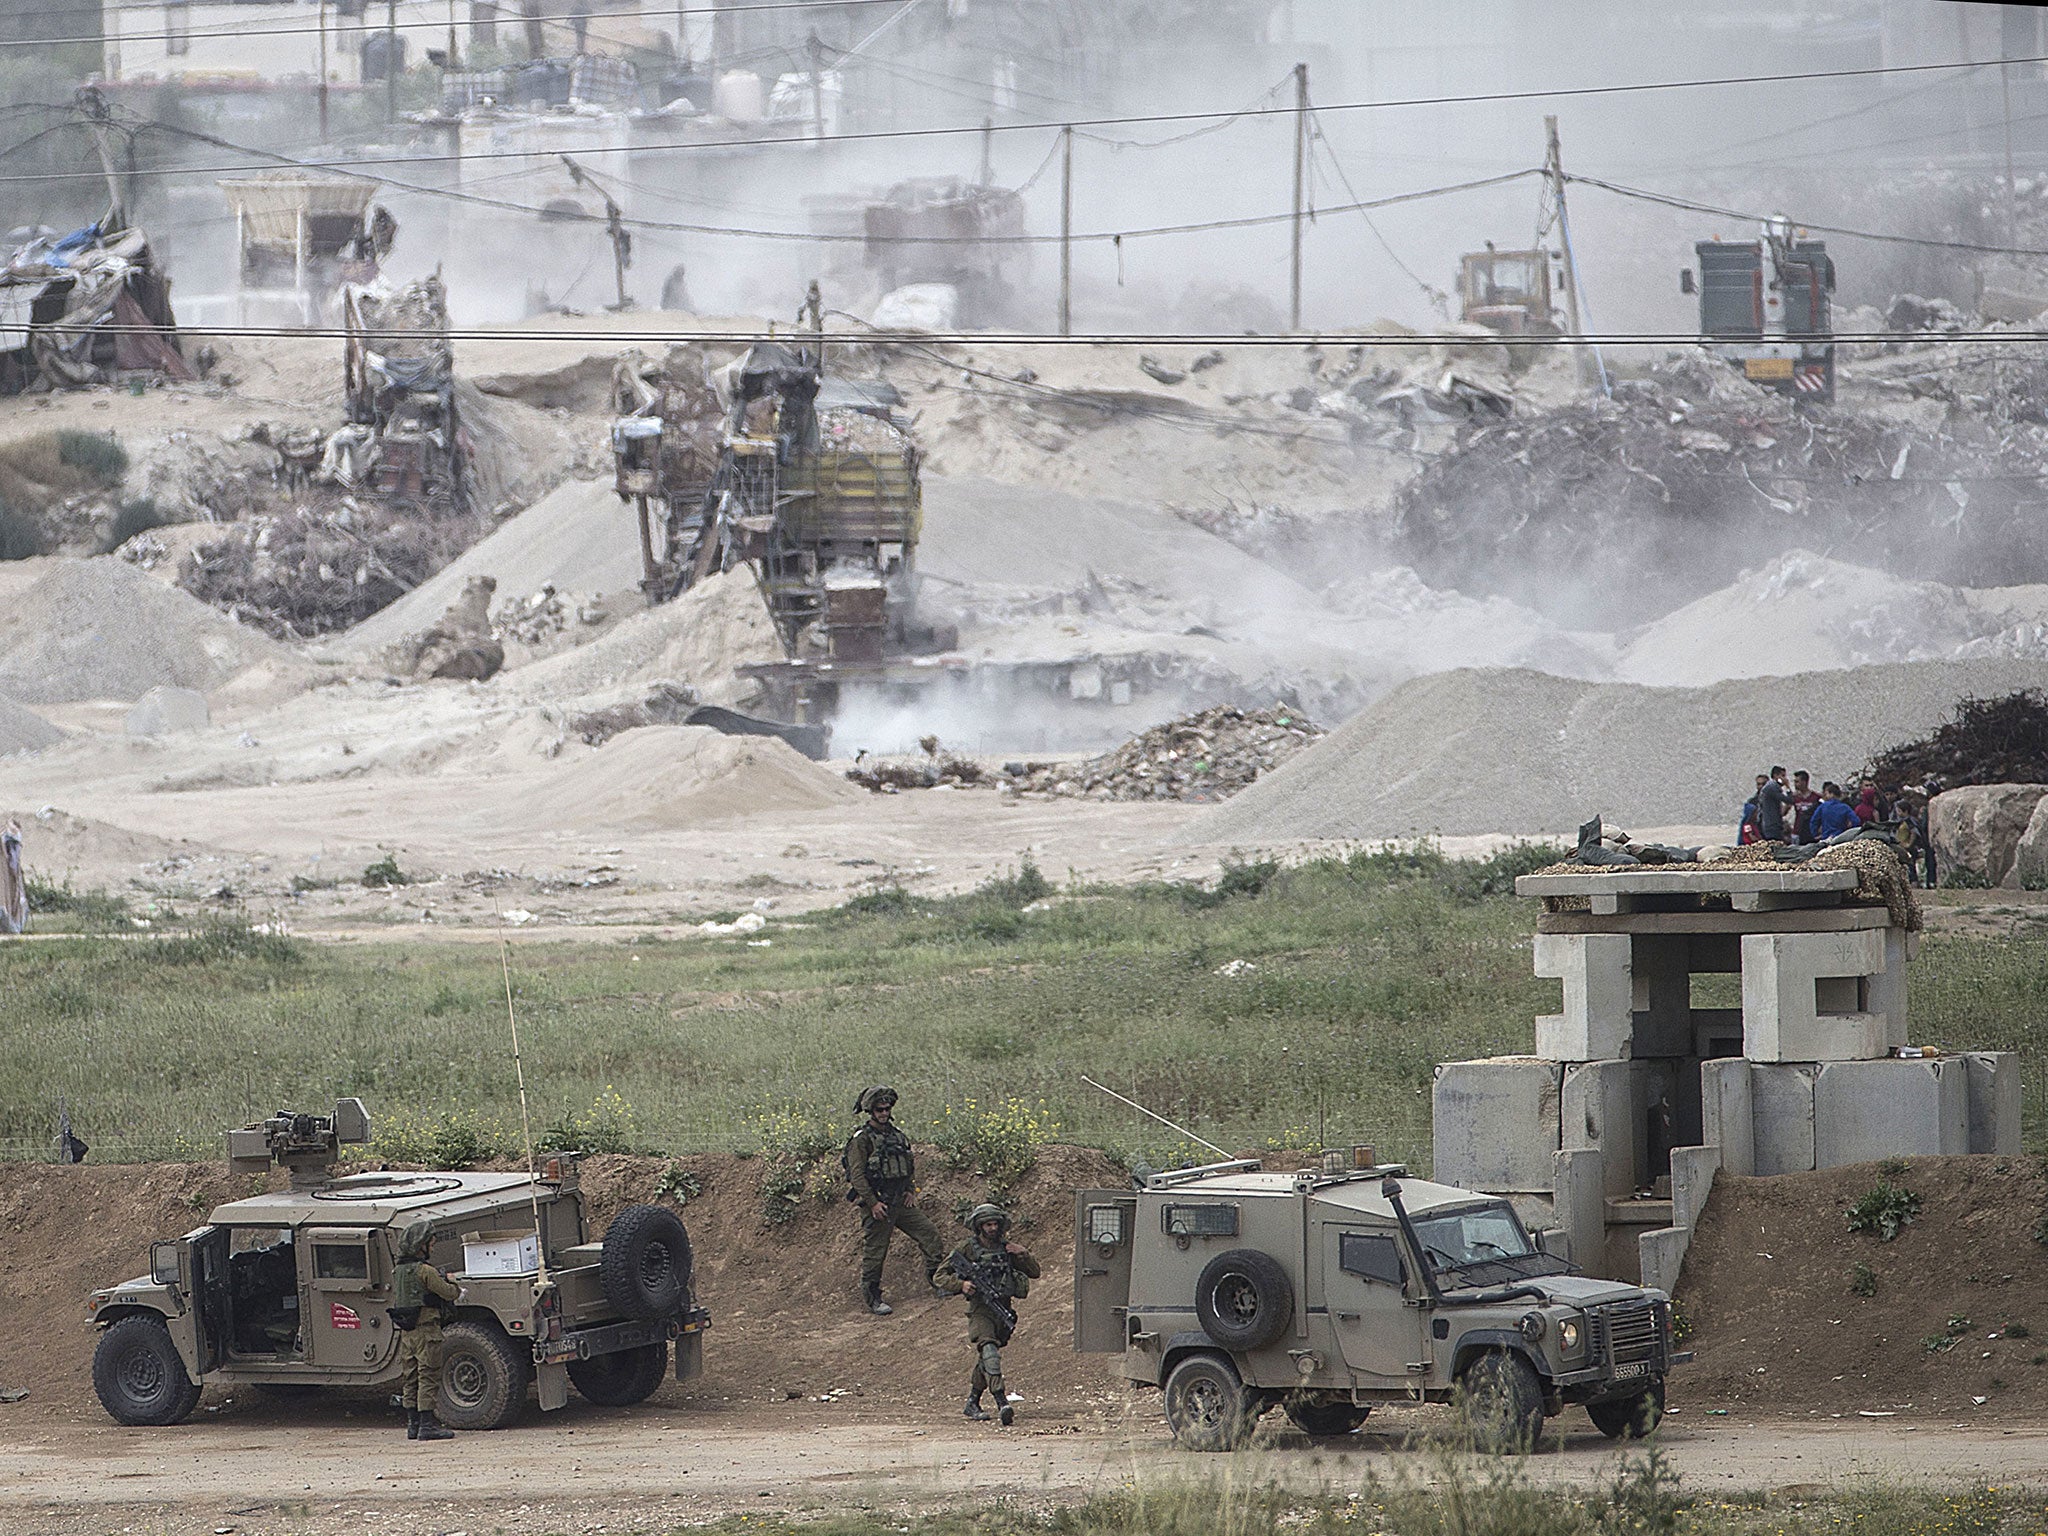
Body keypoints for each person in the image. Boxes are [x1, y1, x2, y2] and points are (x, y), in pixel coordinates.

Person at [935, 1203, 1040, 1425]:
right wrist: (961, 1284)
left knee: (986, 1359)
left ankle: (972, 1402)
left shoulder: (1007, 1248)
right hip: (980, 1310)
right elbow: (939, 1276)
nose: (992, 1228)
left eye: (995, 1224)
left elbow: (1035, 1272)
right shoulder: (967, 1249)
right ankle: (1002, 1402)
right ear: (979, 1226)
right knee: (990, 1352)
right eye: (988, 1224)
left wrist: (1023, 1254)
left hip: (1002, 1308)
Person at [845, 1086, 945, 1317]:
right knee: (876, 1252)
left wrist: (910, 1189)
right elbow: (857, 1175)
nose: (884, 1113)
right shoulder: (862, 1140)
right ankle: (873, 1298)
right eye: (879, 1109)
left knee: (929, 1234)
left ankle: (937, 1280)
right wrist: (872, 1203)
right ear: (871, 1111)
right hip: (879, 1204)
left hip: (900, 1201)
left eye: (887, 1108)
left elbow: (908, 1165)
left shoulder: (897, 1135)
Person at [389, 1220, 460, 1440]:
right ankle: (427, 1427)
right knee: (428, 1376)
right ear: (421, 1244)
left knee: (410, 1378)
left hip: (407, 1333)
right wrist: (453, 1284)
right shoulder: (425, 1271)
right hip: (426, 1332)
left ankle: (413, 1425)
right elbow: (449, 1293)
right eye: (430, 1243)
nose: (432, 1248)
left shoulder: (398, 1271)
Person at [1756, 766, 1793, 843]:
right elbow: (1789, 800)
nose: (1785, 779)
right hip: (1772, 825)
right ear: (1776, 776)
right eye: (1782, 776)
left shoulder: (1770, 787)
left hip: (1771, 824)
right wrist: (1788, 787)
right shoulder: (1772, 787)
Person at [1790, 771, 1821, 844]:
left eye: (1797, 782)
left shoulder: (1816, 797)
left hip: (1810, 832)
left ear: (1804, 782)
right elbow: (1784, 811)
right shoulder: (1795, 797)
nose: (1795, 784)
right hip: (1797, 831)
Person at [1739, 775, 1766, 845]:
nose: (1761, 787)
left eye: (1763, 784)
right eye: (1759, 784)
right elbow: (1751, 836)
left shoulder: (1772, 801)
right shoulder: (1752, 802)